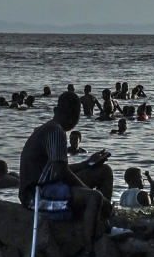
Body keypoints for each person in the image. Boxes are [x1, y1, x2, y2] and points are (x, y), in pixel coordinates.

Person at [18, 91, 106, 243]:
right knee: (95, 197)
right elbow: (62, 173)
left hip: (51, 186)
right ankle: (89, 253)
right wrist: (91, 192)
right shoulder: (56, 131)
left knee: (104, 172)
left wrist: (87, 164)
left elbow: (56, 169)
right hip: (36, 196)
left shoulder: (51, 128)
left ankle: (106, 223)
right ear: (75, 115)